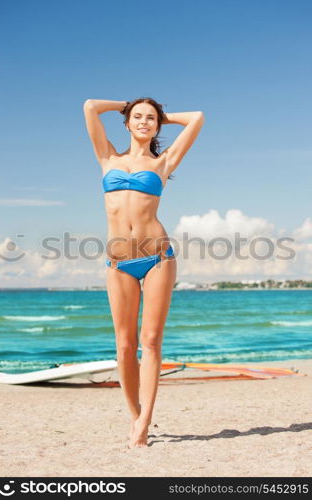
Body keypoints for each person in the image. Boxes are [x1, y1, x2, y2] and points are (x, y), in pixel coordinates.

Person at [83, 97, 204, 448]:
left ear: (158, 124)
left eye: (150, 118)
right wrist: (126, 105)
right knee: (124, 346)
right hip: (118, 263)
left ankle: (144, 424)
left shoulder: (163, 161)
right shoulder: (107, 157)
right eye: (137, 117)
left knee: (150, 343)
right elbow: (90, 107)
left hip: (157, 258)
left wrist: (161, 117)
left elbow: (196, 117)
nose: (144, 122)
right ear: (126, 122)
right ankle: (134, 413)